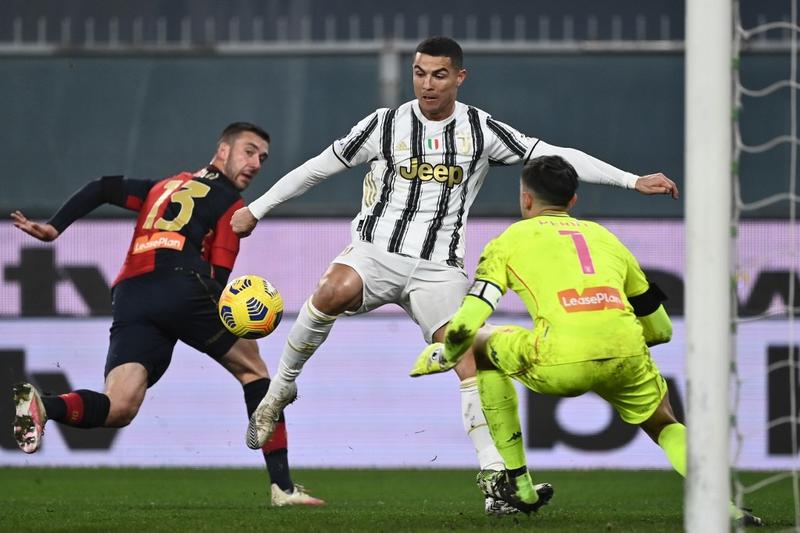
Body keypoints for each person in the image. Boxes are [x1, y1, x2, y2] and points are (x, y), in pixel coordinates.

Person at [231, 36, 678, 515]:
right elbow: (318, 168)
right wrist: (256, 209)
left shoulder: (480, 130)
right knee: (330, 291)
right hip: (377, 252)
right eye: (420, 73)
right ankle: (280, 390)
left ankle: (495, 480)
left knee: (468, 361)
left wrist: (632, 180)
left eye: (439, 74)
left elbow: (556, 153)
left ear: (459, 77)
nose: (427, 84)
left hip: (439, 267)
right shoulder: (385, 125)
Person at [409, 155, 763, 526]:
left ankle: (519, 484)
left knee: (481, 344)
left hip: (559, 358)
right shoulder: (605, 237)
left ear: (526, 199)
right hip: (627, 352)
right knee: (665, 424)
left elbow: (468, 320)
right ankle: (727, 509)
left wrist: (446, 354)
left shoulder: (509, 240)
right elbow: (661, 330)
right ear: (573, 201)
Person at [10, 122, 324, 508]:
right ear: (222, 151)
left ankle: (46, 405)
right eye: (249, 150)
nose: (256, 163)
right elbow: (220, 281)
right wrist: (237, 316)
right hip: (180, 283)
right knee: (255, 371)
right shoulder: (231, 204)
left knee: (120, 405)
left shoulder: (161, 187)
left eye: (263, 157)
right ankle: (283, 488)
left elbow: (103, 187)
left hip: (130, 292)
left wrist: (55, 226)